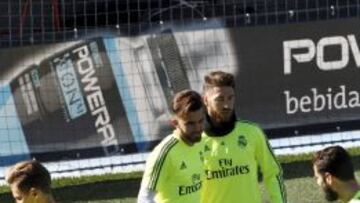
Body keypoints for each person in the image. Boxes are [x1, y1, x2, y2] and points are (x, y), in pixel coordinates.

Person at [201, 71, 286, 203]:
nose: (227, 105)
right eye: (219, 99)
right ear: (205, 100)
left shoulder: (252, 132)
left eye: (230, 98)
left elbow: (272, 172)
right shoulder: (195, 140)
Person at [137, 89, 205, 203]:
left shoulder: (201, 142)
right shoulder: (164, 153)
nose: (198, 128)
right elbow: (144, 198)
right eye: (190, 124)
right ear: (175, 123)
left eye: (201, 121)